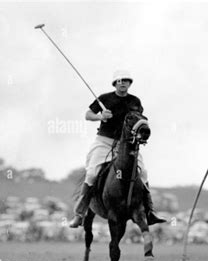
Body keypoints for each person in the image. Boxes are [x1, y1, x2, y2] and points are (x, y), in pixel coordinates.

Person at [69, 70, 166, 228]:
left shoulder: (135, 101)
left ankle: (150, 211)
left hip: (125, 145)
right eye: (119, 81)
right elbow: (88, 115)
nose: (122, 83)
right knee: (93, 172)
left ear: (129, 83)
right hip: (104, 142)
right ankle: (80, 213)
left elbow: (138, 121)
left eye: (126, 80)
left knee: (143, 172)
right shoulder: (104, 99)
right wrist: (101, 116)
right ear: (115, 83)